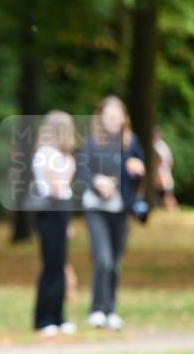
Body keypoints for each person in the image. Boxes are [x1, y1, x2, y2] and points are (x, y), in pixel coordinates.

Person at [77, 96, 145, 330]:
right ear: (101, 117)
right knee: (103, 259)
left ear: (123, 118)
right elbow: (82, 170)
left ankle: (110, 310)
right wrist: (99, 182)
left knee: (115, 262)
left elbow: (139, 171)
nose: (114, 119)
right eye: (109, 115)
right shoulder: (92, 141)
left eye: (117, 115)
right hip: (96, 207)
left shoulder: (131, 142)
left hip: (121, 210)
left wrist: (138, 171)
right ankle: (97, 310)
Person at [29, 111, 77, 336]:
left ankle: (58, 317)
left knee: (59, 266)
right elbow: (58, 187)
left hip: (60, 213)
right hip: (51, 212)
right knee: (51, 267)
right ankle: (44, 318)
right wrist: (70, 164)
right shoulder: (48, 154)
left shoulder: (54, 154)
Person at [152, 126, 178, 210]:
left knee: (166, 195)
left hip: (161, 174)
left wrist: (159, 170)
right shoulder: (162, 145)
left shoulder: (158, 146)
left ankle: (172, 209)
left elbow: (160, 159)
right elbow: (170, 162)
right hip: (163, 173)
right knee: (165, 194)